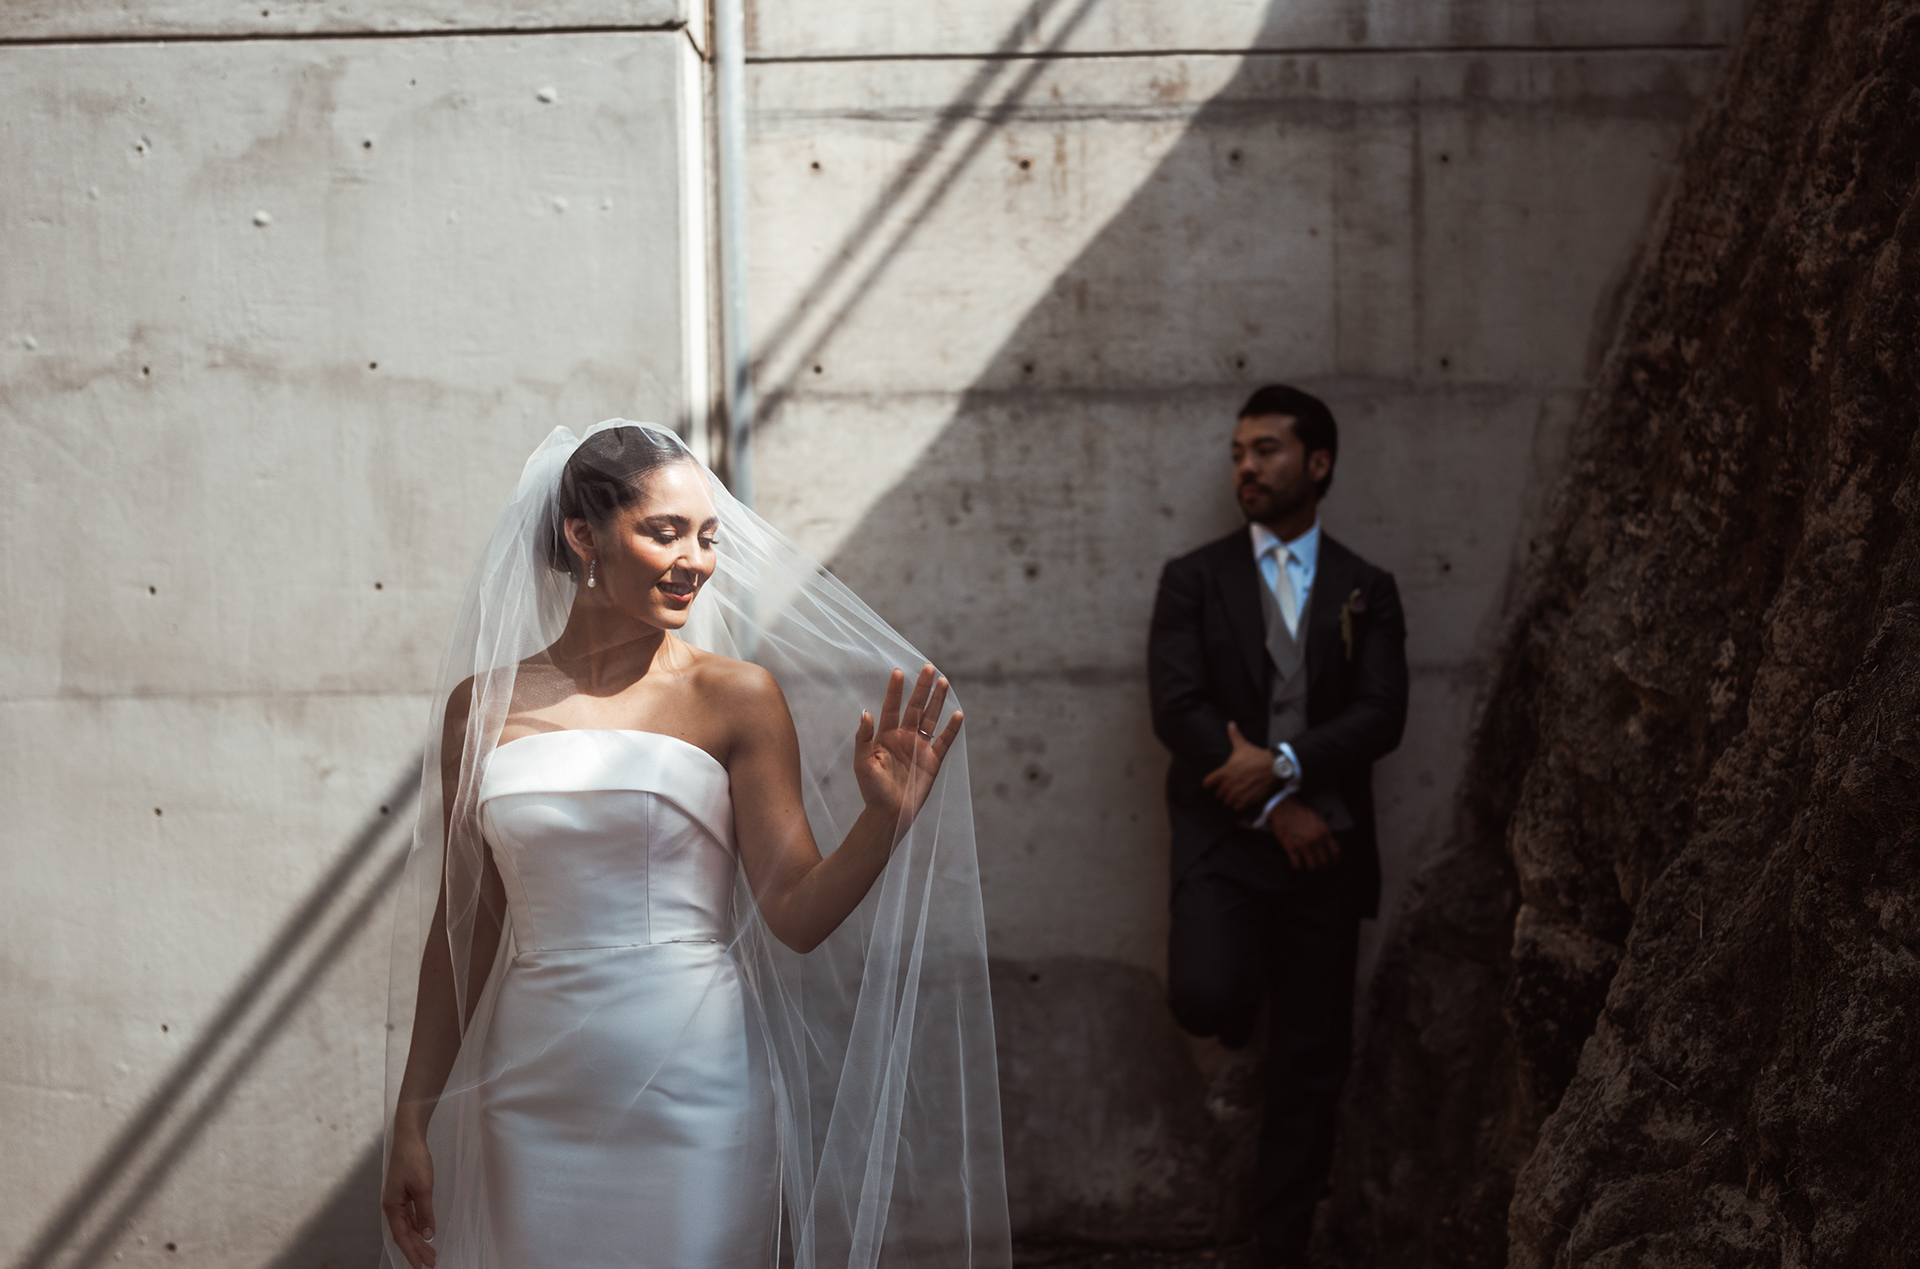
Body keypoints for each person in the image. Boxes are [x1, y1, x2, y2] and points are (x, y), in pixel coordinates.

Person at [378, 421, 1008, 1269]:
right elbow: (463, 930)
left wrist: (881, 821)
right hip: (533, 1084)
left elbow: (796, 913)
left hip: (696, 1076)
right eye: (665, 531)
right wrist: (412, 1117)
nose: (695, 560)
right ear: (583, 536)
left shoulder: (736, 696)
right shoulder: (482, 707)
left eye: (707, 536)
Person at [1147, 385, 1408, 1268]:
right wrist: (1270, 801)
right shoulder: (1193, 578)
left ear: (1318, 463)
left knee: (1310, 1057)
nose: (1246, 468)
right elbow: (1178, 708)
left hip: (1323, 849)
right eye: (1237, 454)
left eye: (1265, 450)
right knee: (1206, 995)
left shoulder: (1367, 587)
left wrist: (1289, 764)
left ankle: (1281, 1241)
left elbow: (1382, 713)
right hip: (1227, 836)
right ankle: (1240, 980)